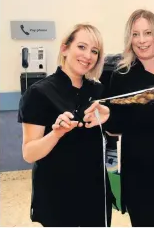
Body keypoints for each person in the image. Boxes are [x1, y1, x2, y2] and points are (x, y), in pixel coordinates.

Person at [18, 24, 112, 227]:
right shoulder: (38, 93)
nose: (88, 55)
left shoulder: (98, 91)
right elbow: (29, 153)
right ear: (64, 48)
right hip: (57, 196)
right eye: (81, 47)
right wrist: (56, 133)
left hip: (95, 195)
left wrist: (110, 116)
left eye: (94, 51)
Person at [106, 10, 154, 226]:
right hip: (141, 174)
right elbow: (113, 127)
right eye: (135, 34)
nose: (142, 40)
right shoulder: (121, 75)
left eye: (148, 32)